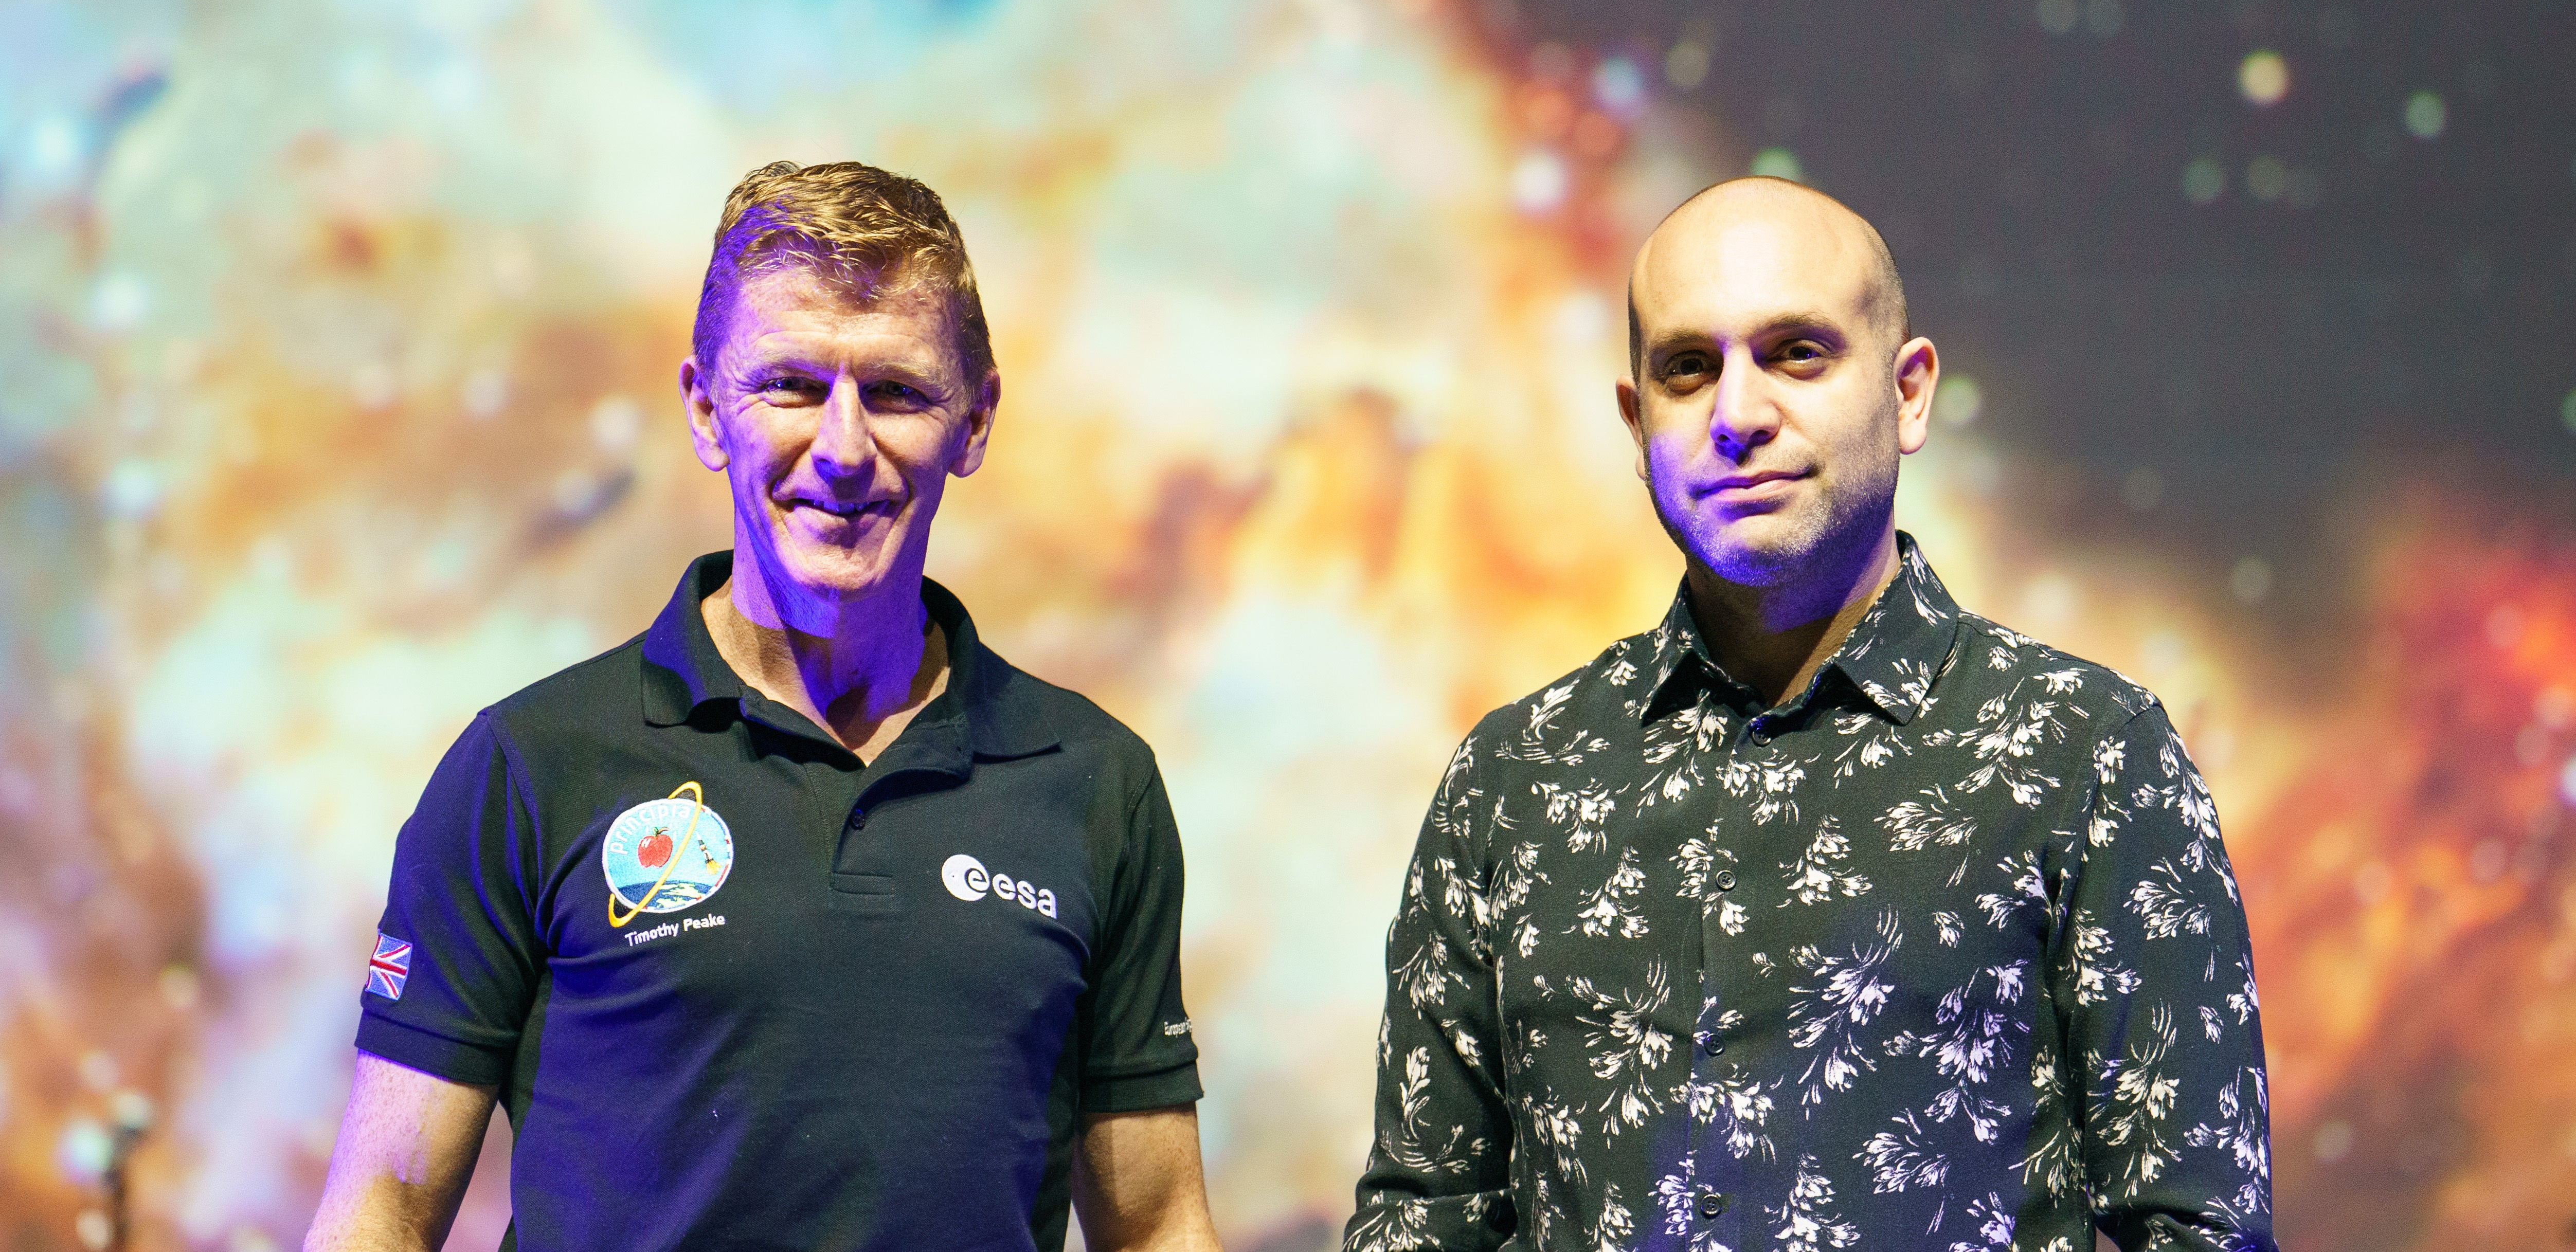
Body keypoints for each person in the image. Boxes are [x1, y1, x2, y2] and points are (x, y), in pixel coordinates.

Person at [308, 160, 1222, 1252]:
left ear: (975, 422)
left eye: (897, 391)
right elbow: (383, 1211)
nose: (841, 449)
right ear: (706, 408)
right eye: (791, 385)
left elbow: (1159, 1223)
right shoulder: (531, 765)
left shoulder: (1091, 782)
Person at [1344, 178, 2274, 1251]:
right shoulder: (1519, 777)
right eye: (1687, 367)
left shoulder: (2083, 752)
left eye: (1797, 352)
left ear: (1910, 391)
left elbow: (2200, 1227)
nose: (1738, 414)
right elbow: (1424, 1217)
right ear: (1636, 419)